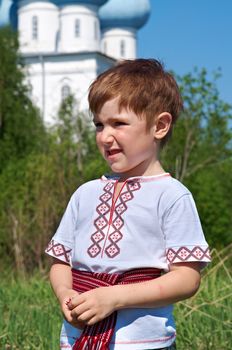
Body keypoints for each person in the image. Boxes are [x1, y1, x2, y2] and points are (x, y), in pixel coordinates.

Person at [45, 59, 211, 350]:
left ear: (159, 126)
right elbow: (61, 261)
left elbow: (186, 278)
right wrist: (65, 294)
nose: (105, 136)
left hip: (142, 342)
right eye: (99, 124)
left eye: (118, 123)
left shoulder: (171, 195)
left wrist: (114, 297)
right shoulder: (85, 193)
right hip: (77, 339)